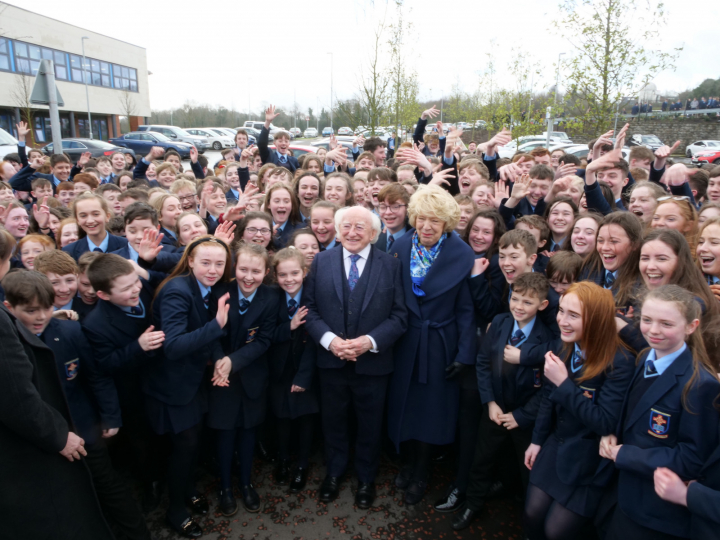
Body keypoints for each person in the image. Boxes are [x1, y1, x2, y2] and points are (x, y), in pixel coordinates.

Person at [302, 205, 407, 509]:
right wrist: (331, 341)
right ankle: (334, 473)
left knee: (370, 425)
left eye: (360, 227)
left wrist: (370, 342)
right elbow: (310, 310)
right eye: (346, 226)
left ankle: (366, 479)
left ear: (374, 234)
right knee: (333, 421)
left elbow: (400, 316)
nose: (352, 232)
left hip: (374, 364)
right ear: (337, 230)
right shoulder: (321, 262)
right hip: (331, 362)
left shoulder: (390, 265)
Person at [601, 285, 720, 540]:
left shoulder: (701, 385)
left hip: (655, 512)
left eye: (666, 323)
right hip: (624, 492)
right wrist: (613, 433)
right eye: (646, 320)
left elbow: (692, 458)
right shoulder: (645, 357)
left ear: (691, 326)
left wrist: (626, 454)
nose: (653, 331)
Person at [523, 282, 635, 540]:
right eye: (561, 311)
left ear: (596, 319)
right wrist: (537, 441)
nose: (562, 320)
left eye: (573, 315)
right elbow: (548, 399)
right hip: (556, 443)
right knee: (531, 512)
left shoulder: (619, 361)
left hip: (587, 459)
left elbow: (605, 422)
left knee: (555, 531)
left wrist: (564, 383)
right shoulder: (565, 345)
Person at [387, 185, 476, 505]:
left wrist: (465, 354)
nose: (427, 226)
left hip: (440, 345)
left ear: (446, 224)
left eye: (435, 221)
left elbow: (466, 310)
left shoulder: (461, 254)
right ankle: (407, 462)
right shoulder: (398, 247)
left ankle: (421, 470)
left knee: (431, 411)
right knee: (405, 405)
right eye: (422, 219)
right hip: (405, 341)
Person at [144, 236, 233, 538]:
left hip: (193, 380)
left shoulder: (209, 287)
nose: (213, 269)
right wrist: (216, 326)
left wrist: (219, 358)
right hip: (173, 385)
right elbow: (174, 346)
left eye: (219, 264)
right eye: (205, 262)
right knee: (184, 446)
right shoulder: (176, 291)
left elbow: (209, 338)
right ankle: (175, 511)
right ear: (190, 260)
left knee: (193, 443)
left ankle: (188, 489)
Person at [453, 273, 555, 531]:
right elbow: (484, 363)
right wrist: (490, 403)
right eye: (515, 298)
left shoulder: (547, 339)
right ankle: (472, 504)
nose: (519, 306)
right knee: (482, 459)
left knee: (527, 471)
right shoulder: (499, 322)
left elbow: (547, 389)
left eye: (527, 302)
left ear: (542, 305)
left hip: (526, 416)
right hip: (496, 409)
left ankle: (527, 522)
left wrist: (521, 416)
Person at [207, 243, 277, 516]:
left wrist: (233, 362)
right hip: (220, 377)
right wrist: (219, 361)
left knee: (248, 432)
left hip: (251, 376)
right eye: (243, 269)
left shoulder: (271, 298)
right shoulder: (218, 293)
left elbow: (264, 340)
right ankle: (225, 487)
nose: (249, 277)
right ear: (234, 269)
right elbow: (210, 331)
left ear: (266, 272)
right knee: (225, 433)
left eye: (256, 271)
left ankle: (246, 483)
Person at [269, 247, 319, 494]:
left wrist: (304, 377)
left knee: (305, 418)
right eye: (282, 275)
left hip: (305, 371)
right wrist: (287, 326)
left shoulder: (314, 298)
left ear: (305, 272)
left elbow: (314, 342)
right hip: (280, 369)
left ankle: (302, 465)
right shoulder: (271, 298)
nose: (289, 280)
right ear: (275, 276)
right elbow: (266, 333)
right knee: (282, 418)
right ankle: (284, 460)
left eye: (294, 274)